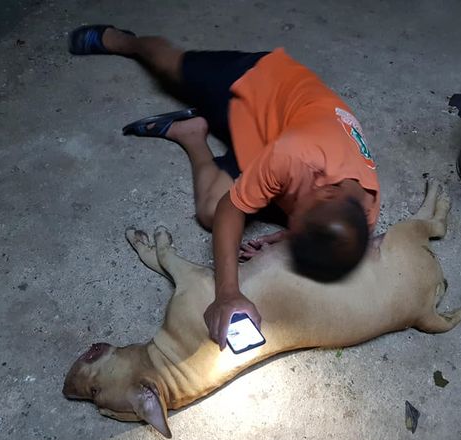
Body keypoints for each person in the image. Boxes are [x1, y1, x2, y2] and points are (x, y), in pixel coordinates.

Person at [68, 25, 381, 350]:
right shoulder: (296, 156)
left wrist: (291, 235)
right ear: (326, 191)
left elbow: (316, 225)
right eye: (298, 216)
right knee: (168, 64)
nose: (291, 221)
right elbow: (231, 208)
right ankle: (124, 41)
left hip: (267, 147)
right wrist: (228, 293)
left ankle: (191, 132)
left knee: (207, 210)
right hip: (254, 82)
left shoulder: (363, 213)